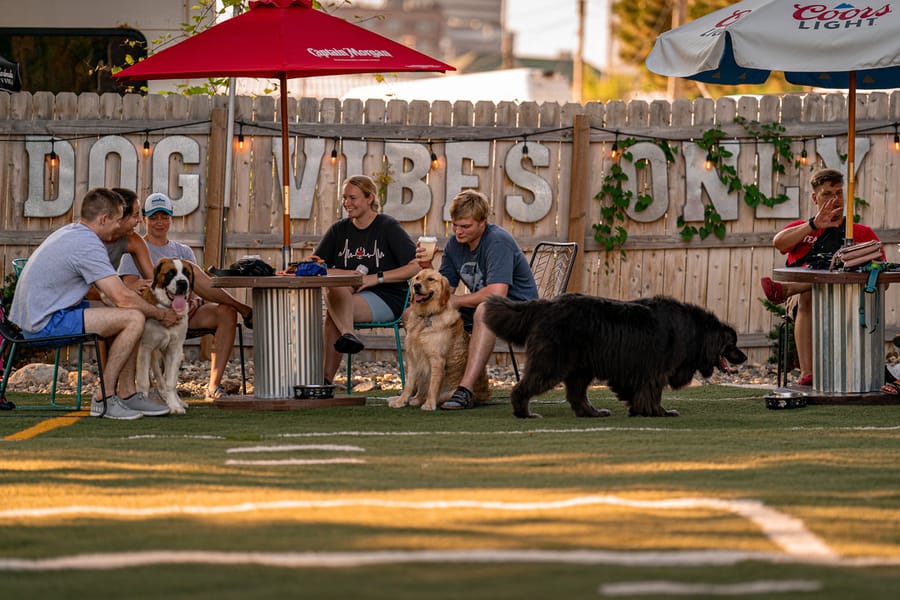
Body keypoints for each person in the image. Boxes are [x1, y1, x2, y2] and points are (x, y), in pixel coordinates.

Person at [9, 188, 181, 420]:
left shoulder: (74, 233)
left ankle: (128, 393)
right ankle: (104, 398)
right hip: (44, 322)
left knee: (130, 312)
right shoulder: (88, 245)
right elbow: (121, 296)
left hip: (48, 313)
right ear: (104, 219)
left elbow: (110, 297)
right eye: (118, 218)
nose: (121, 224)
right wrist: (161, 315)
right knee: (134, 317)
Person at [119, 192, 254, 401]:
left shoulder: (183, 250)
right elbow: (127, 287)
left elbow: (198, 290)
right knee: (186, 271)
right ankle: (247, 310)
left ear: (171, 218)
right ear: (144, 218)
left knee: (227, 312)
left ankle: (213, 387)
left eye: (164, 217)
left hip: (185, 313)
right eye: (154, 217)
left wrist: (194, 301)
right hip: (152, 316)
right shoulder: (133, 250)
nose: (159, 222)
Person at [760, 168, 883, 387]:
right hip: (805, 298)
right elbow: (779, 243)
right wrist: (814, 224)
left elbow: (880, 271)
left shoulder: (861, 232)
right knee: (810, 294)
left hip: (851, 298)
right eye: (827, 194)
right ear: (815, 198)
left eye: (838, 193)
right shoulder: (802, 229)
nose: (834, 199)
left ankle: (786, 289)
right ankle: (808, 373)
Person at [419, 189, 538, 410]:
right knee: (415, 314)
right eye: (455, 225)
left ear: (482, 223)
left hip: (522, 312)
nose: (458, 231)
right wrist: (427, 269)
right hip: (481, 306)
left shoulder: (497, 241)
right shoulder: (455, 244)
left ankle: (465, 390)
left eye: (465, 226)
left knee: (486, 310)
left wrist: (456, 301)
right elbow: (445, 292)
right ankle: (429, 387)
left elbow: (496, 294)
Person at [313, 175, 420, 384]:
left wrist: (375, 278)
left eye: (353, 198)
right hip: (350, 296)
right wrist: (350, 276)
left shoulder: (387, 226)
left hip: (388, 297)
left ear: (370, 198)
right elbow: (317, 265)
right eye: (344, 198)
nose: (347, 203)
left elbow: (416, 265)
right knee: (334, 293)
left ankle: (325, 380)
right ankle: (348, 335)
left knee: (334, 313)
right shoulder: (338, 230)